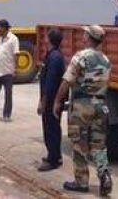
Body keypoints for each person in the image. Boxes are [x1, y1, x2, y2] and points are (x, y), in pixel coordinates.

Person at [53, 25, 113, 196]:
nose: (83, 35)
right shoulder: (105, 60)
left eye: (85, 33)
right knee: (99, 145)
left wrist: (57, 101)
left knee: (79, 143)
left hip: (82, 106)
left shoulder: (81, 57)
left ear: (88, 37)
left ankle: (81, 181)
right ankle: (104, 175)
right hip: (101, 106)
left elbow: (67, 81)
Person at [37, 29, 66, 171]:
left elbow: (50, 83)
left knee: (51, 129)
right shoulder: (53, 55)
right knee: (51, 128)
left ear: (49, 40)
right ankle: (54, 155)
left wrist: (43, 101)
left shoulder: (54, 58)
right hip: (50, 99)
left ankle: (53, 159)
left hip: (51, 101)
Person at [0, 19, 19, 122]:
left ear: (6, 29)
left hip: (7, 71)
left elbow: (16, 54)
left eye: (0, 28)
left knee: (8, 94)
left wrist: (15, 69)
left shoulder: (13, 39)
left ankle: (6, 115)